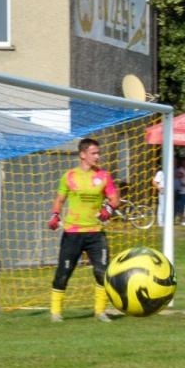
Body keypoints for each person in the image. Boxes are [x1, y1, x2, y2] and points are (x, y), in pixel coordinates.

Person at [47, 137, 120, 323]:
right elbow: (60, 199)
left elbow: (114, 199)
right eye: (94, 153)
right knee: (64, 273)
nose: (98, 156)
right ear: (82, 154)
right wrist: (55, 215)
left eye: (98, 153)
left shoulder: (104, 176)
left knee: (102, 271)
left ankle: (100, 311)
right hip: (73, 232)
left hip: (95, 232)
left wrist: (108, 210)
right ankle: (55, 313)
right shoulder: (69, 176)